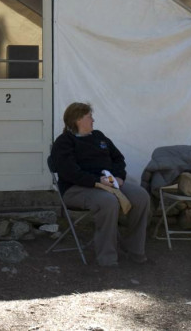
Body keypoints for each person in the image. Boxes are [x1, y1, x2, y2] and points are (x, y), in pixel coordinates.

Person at [51, 102, 151, 267]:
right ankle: (107, 258)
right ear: (77, 120)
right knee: (108, 201)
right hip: (77, 188)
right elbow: (70, 173)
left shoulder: (99, 136)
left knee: (141, 197)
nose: (93, 120)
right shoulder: (64, 142)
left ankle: (135, 250)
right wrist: (97, 181)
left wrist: (119, 177)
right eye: (89, 116)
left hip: (109, 183)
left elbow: (118, 158)